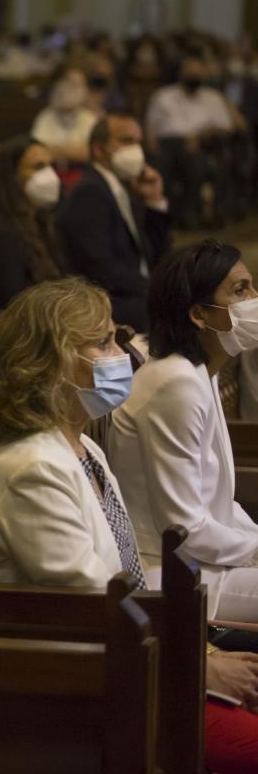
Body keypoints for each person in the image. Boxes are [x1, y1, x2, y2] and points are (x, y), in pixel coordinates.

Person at [0, 277, 258, 774]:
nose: (121, 352)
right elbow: (91, 605)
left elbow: (125, 581)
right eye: (102, 342)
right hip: (84, 685)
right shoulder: (30, 469)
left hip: (133, 657)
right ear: (49, 362)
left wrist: (205, 642)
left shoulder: (84, 449)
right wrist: (201, 666)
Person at [109, 241, 258, 623]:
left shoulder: (197, 372)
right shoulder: (175, 383)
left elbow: (218, 506)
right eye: (240, 290)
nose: (254, 299)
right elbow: (185, 530)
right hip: (173, 576)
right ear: (198, 315)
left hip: (201, 564)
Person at [55, 112, 171, 331]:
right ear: (99, 149)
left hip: (133, 293)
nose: (136, 149)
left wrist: (154, 201)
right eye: (126, 141)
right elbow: (99, 268)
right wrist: (154, 289)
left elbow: (151, 254)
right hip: (109, 303)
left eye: (138, 142)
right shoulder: (89, 192)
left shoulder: (124, 187)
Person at [0, 137, 63, 309]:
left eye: (51, 166)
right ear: (12, 176)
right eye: (38, 167)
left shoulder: (43, 222)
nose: (50, 175)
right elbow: (12, 301)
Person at [146, 53, 239, 228]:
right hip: (167, 143)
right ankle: (163, 216)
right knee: (161, 167)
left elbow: (227, 126)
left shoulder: (213, 97)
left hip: (204, 142)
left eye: (198, 72)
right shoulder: (163, 95)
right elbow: (151, 127)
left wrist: (200, 135)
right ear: (180, 73)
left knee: (197, 163)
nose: (194, 76)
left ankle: (193, 214)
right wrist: (153, 148)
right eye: (190, 72)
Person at [30, 68, 98, 167]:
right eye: (69, 84)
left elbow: (91, 153)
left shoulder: (89, 118)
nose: (73, 91)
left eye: (79, 86)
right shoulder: (45, 116)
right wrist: (75, 151)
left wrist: (56, 151)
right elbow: (38, 153)